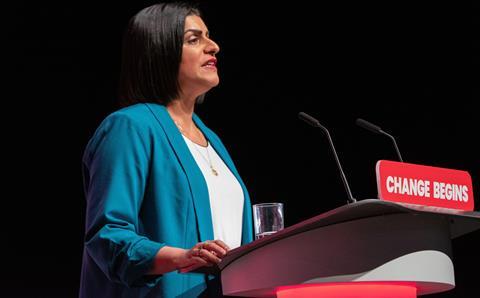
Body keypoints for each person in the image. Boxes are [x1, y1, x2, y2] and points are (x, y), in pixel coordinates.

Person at [79, 2, 253, 297]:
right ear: (160, 50)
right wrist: (181, 257)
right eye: (194, 39)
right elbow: (108, 236)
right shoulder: (130, 127)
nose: (214, 47)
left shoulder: (212, 140)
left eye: (208, 36)